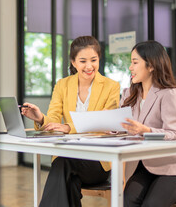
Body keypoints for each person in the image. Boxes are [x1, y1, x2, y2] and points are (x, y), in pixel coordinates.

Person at [21, 35, 120, 207]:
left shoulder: (111, 86)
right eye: (83, 61)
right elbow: (53, 118)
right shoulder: (63, 85)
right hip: (71, 158)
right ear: (73, 62)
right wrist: (40, 118)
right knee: (69, 182)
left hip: (98, 161)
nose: (89, 66)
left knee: (61, 163)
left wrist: (68, 127)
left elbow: (103, 123)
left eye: (93, 60)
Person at [120, 40, 176, 207]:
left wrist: (146, 130)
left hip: (173, 168)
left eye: (135, 62)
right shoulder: (129, 94)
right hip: (144, 167)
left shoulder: (169, 94)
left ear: (151, 66)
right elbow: (123, 127)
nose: (131, 67)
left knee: (151, 205)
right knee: (127, 201)